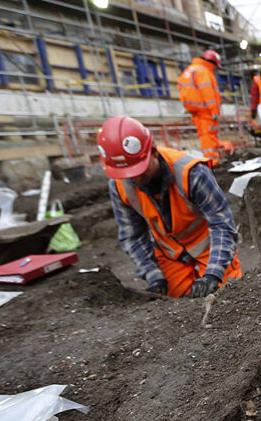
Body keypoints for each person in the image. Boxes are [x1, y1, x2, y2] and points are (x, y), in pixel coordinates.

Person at [99, 115, 241, 299]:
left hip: (209, 246)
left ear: (154, 152)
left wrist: (213, 273)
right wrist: (152, 274)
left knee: (229, 297)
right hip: (170, 254)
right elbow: (132, 235)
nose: (134, 179)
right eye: (127, 174)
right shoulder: (119, 186)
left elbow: (222, 224)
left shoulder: (192, 173)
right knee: (173, 306)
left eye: (139, 171)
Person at [177, 49, 226, 165]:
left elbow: (181, 86)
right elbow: (207, 92)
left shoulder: (191, 70)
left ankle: (211, 160)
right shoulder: (204, 71)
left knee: (204, 135)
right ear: (212, 63)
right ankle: (213, 162)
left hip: (196, 110)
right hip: (205, 110)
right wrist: (214, 110)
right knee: (209, 135)